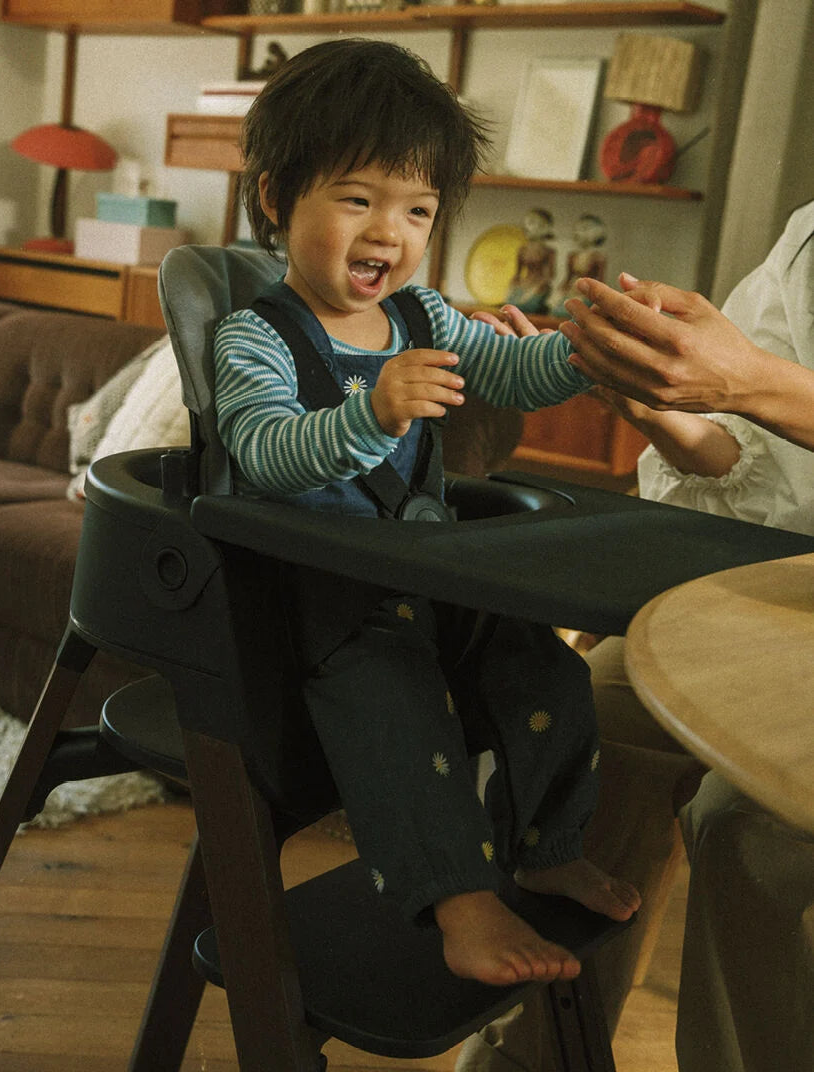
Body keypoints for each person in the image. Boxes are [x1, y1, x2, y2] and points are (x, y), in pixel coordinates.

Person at [213, 37, 640, 989]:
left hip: (432, 581)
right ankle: (460, 901)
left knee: (550, 668)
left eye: (417, 209)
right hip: (326, 610)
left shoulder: (425, 316)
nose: (389, 233)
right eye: (357, 200)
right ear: (277, 198)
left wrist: (585, 351)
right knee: (396, 707)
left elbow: (512, 371)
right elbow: (265, 454)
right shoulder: (257, 337)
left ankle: (547, 845)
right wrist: (369, 413)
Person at [458, 202, 814, 1071]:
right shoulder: (809, 235)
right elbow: (764, 469)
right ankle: (530, 1059)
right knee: (587, 725)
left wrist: (753, 383)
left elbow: (759, 389)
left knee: (747, 826)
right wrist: (659, 405)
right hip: (789, 584)